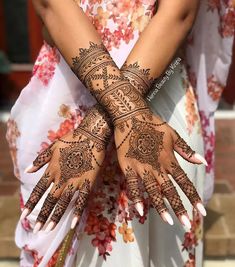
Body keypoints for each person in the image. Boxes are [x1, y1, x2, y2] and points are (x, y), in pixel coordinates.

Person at [6, 0, 234, 267]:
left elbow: (179, 12)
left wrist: (96, 128)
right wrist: (127, 115)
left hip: (159, 99)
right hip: (66, 98)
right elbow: (51, 5)